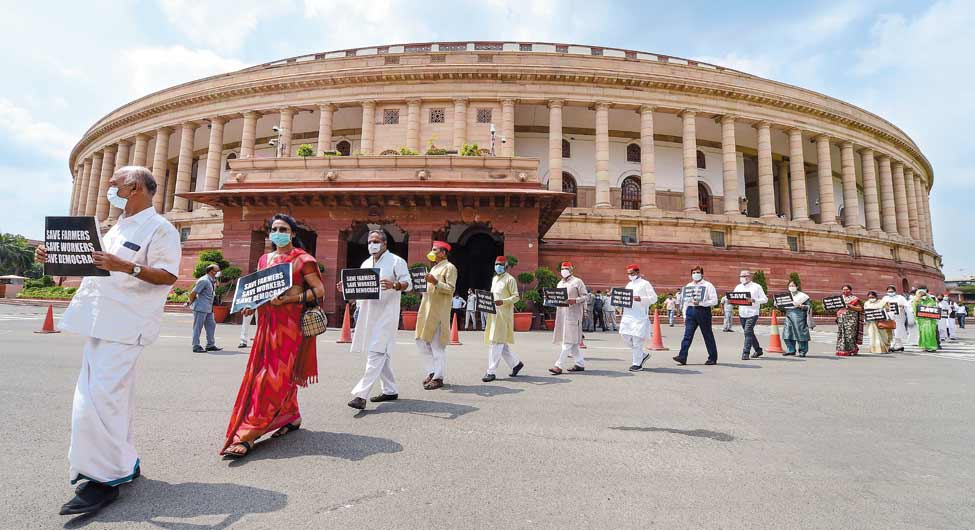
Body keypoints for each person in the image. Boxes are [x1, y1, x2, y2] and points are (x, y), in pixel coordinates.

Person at [37, 166, 181, 515]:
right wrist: (52, 257)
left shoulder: (160, 228)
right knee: (113, 401)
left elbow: (168, 275)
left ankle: (101, 479)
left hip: (127, 325)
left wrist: (126, 266)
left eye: (114, 184)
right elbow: (89, 266)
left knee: (94, 403)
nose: (109, 189)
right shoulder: (114, 228)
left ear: (133, 187)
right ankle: (123, 463)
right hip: (99, 322)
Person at [221, 214, 325, 458]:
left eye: (284, 229)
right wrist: (251, 304)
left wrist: (290, 299)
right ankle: (291, 416)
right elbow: (260, 290)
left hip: (289, 327)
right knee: (274, 374)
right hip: (266, 323)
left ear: (292, 233)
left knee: (270, 377)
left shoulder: (303, 260)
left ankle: (248, 433)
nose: (278, 232)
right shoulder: (264, 259)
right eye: (274, 229)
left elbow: (319, 290)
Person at [346, 230, 411, 410]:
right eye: (369, 241)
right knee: (378, 352)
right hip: (367, 313)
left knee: (375, 352)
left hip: (386, 314)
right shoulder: (366, 263)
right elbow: (360, 287)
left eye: (375, 241)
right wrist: (347, 289)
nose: (372, 245)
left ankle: (361, 395)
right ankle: (390, 390)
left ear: (384, 244)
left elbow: (409, 283)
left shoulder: (397, 261)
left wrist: (395, 285)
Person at [415, 241, 457, 390]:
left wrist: (435, 282)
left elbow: (451, 289)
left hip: (438, 312)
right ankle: (432, 371)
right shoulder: (433, 268)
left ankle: (438, 377)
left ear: (443, 252)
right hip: (425, 309)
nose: (432, 252)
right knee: (421, 342)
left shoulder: (449, 267)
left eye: (435, 250)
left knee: (436, 346)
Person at [482, 256, 524, 382]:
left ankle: (491, 371)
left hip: (503, 315)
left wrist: (504, 302)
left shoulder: (510, 280)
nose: (498, 266)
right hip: (493, 314)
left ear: (506, 266)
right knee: (500, 343)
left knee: (495, 343)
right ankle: (516, 364)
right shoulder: (495, 279)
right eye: (496, 264)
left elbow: (516, 297)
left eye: (500, 264)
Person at [673, 266, 719, 365]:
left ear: (702, 274)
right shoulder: (688, 285)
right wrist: (685, 315)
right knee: (687, 335)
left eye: (697, 272)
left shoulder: (708, 285)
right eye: (693, 272)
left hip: (703, 311)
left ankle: (712, 357)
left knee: (707, 335)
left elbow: (714, 301)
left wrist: (701, 303)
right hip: (690, 311)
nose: (695, 274)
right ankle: (682, 356)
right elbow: (685, 301)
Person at [549, 262, 590, 374]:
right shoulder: (559, 283)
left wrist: (575, 300)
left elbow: (586, 296)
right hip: (562, 314)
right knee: (573, 343)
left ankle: (558, 365)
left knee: (567, 342)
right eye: (562, 268)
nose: (564, 270)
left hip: (573, 314)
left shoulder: (577, 282)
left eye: (566, 268)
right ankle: (579, 364)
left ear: (571, 270)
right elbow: (557, 298)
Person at [618, 265, 658, 371]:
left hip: (639, 316)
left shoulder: (645, 284)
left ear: (638, 272)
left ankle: (637, 364)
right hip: (627, 315)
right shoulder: (629, 284)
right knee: (624, 336)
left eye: (632, 273)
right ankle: (643, 355)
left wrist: (641, 299)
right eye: (628, 274)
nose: (630, 275)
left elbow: (654, 298)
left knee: (637, 341)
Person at [734, 270, 768, 360]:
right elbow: (734, 296)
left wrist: (754, 300)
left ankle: (746, 352)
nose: (742, 277)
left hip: (753, 313)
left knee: (747, 331)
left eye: (744, 276)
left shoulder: (756, 287)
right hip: (742, 313)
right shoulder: (738, 287)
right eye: (741, 276)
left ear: (749, 276)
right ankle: (758, 350)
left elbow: (765, 299)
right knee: (749, 333)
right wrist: (726, 299)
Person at [188, 263, 221, 353]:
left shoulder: (212, 280)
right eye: (217, 271)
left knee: (211, 325)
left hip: (209, 308)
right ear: (211, 271)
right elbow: (193, 293)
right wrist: (190, 302)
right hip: (201, 307)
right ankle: (196, 345)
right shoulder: (204, 280)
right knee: (198, 327)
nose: (219, 272)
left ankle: (210, 345)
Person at [781, 280, 814, 357]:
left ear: (797, 286)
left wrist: (801, 306)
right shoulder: (786, 296)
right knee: (787, 334)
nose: (791, 287)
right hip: (789, 315)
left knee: (800, 334)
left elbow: (809, 306)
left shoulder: (803, 296)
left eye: (793, 286)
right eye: (790, 286)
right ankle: (791, 350)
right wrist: (778, 304)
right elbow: (782, 307)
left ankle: (802, 351)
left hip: (799, 317)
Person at [835, 284, 864, 356]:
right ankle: (841, 350)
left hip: (851, 319)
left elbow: (860, 309)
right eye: (844, 289)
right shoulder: (840, 298)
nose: (845, 291)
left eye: (847, 289)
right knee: (841, 334)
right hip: (841, 319)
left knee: (850, 334)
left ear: (850, 290)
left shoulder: (854, 299)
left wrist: (851, 306)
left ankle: (852, 349)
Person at [883, 285, 913, 352]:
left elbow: (907, 305)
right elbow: (882, 306)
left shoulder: (900, 297)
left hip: (899, 317)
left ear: (895, 291)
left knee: (897, 331)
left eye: (892, 291)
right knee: (891, 332)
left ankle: (892, 346)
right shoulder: (885, 298)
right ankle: (900, 346)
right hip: (889, 317)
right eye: (889, 291)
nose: (890, 292)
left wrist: (902, 306)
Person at [913, 286, 939, 352]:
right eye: (920, 294)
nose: (922, 296)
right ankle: (924, 346)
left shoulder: (931, 301)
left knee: (930, 333)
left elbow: (935, 309)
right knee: (923, 334)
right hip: (922, 321)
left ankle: (932, 347)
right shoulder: (916, 301)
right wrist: (916, 302)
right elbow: (914, 310)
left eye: (923, 294)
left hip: (930, 321)